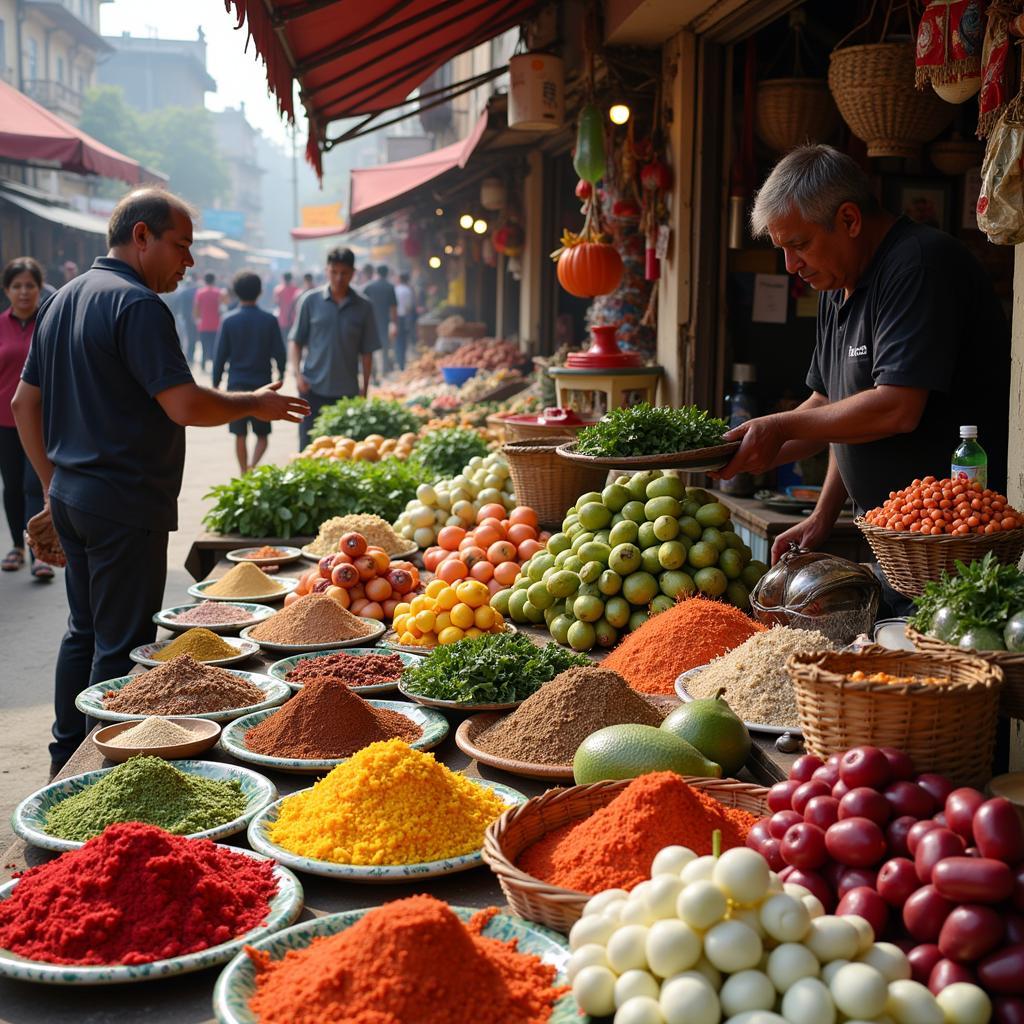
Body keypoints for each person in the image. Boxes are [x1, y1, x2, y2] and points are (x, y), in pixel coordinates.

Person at [11, 188, 309, 773]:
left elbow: (25, 404)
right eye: (181, 246)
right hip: (124, 503)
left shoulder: (63, 298)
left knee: (83, 631)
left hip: (74, 496)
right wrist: (252, 401)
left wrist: (52, 485)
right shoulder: (138, 304)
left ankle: (62, 753)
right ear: (141, 236)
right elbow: (184, 405)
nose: (189, 262)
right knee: (118, 646)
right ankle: (97, 774)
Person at [717, 144, 1009, 613]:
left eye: (799, 244)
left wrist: (778, 428)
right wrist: (734, 455)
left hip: (950, 551)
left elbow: (896, 408)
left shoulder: (919, 266)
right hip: (892, 546)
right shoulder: (837, 284)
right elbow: (831, 409)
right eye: (783, 249)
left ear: (849, 220)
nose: (791, 266)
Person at [289, 247, 379, 450]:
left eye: (344, 273)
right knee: (308, 447)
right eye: (334, 272)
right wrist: (297, 376)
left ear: (353, 273)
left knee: (344, 450)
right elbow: (296, 341)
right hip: (312, 388)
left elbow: (367, 352)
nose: (339, 278)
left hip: (346, 393)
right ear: (326, 270)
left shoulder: (364, 306)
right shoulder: (310, 301)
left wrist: (365, 388)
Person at [0, 257, 49, 579]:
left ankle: (39, 552)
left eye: (30, 286)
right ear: (7, 290)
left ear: (39, 288)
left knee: (36, 484)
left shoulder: (49, 323)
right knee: (13, 485)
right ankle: (16, 545)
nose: (23, 292)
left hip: (43, 421)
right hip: (4, 421)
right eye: (17, 286)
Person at [213, 270, 288, 474]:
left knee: (239, 434)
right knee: (262, 435)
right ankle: (253, 467)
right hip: (263, 384)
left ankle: (243, 472)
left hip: (236, 385)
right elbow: (279, 351)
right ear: (260, 291)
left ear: (235, 292)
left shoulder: (228, 321)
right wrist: (281, 373)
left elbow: (220, 355)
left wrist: (216, 383)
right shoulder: (269, 320)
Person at [364, 265, 398, 374]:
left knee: (370, 348)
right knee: (385, 347)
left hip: (370, 321)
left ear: (376, 272)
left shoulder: (368, 287)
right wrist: (394, 323)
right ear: (387, 273)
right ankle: (384, 370)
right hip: (384, 321)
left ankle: (372, 373)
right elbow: (393, 307)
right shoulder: (390, 287)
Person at [192, 272, 224, 370]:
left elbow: (196, 309)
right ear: (214, 280)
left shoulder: (200, 293)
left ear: (204, 280)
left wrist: (197, 320)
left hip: (203, 325)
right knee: (215, 347)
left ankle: (203, 365)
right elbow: (222, 308)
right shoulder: (219, 292)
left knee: (203, 346)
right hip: (216, 324)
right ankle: (215, 366)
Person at [394, 271, 416, 371]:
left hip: (395, 317)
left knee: (397, 341)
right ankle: (401, 363)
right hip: (404, 318)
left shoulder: (395, 289)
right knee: (403, 341)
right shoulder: (407, 291)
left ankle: (398, 361)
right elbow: (409, 306)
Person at [273, 271, 301, 339]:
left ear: (283, 278)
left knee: (284, 340)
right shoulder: (297, 290)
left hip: (282, 320)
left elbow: (276, 303)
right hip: (294, 320)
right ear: (291, 278)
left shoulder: (278, 290)